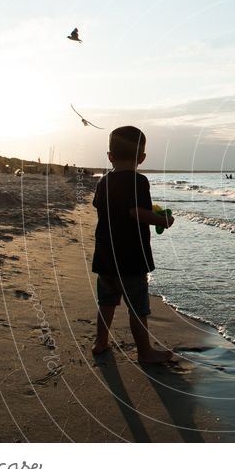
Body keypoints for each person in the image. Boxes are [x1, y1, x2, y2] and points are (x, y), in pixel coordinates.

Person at [91, 126, 175, 363]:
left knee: (106, 302)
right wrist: (163, 220)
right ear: (142, 158)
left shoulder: (103, 182)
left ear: (110, 156)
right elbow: (137, 212)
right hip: (130, 258)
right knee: (137, 308)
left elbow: (99, 206)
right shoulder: (139, 181)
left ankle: (101, 342)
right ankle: (145, 352)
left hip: (106, 255)